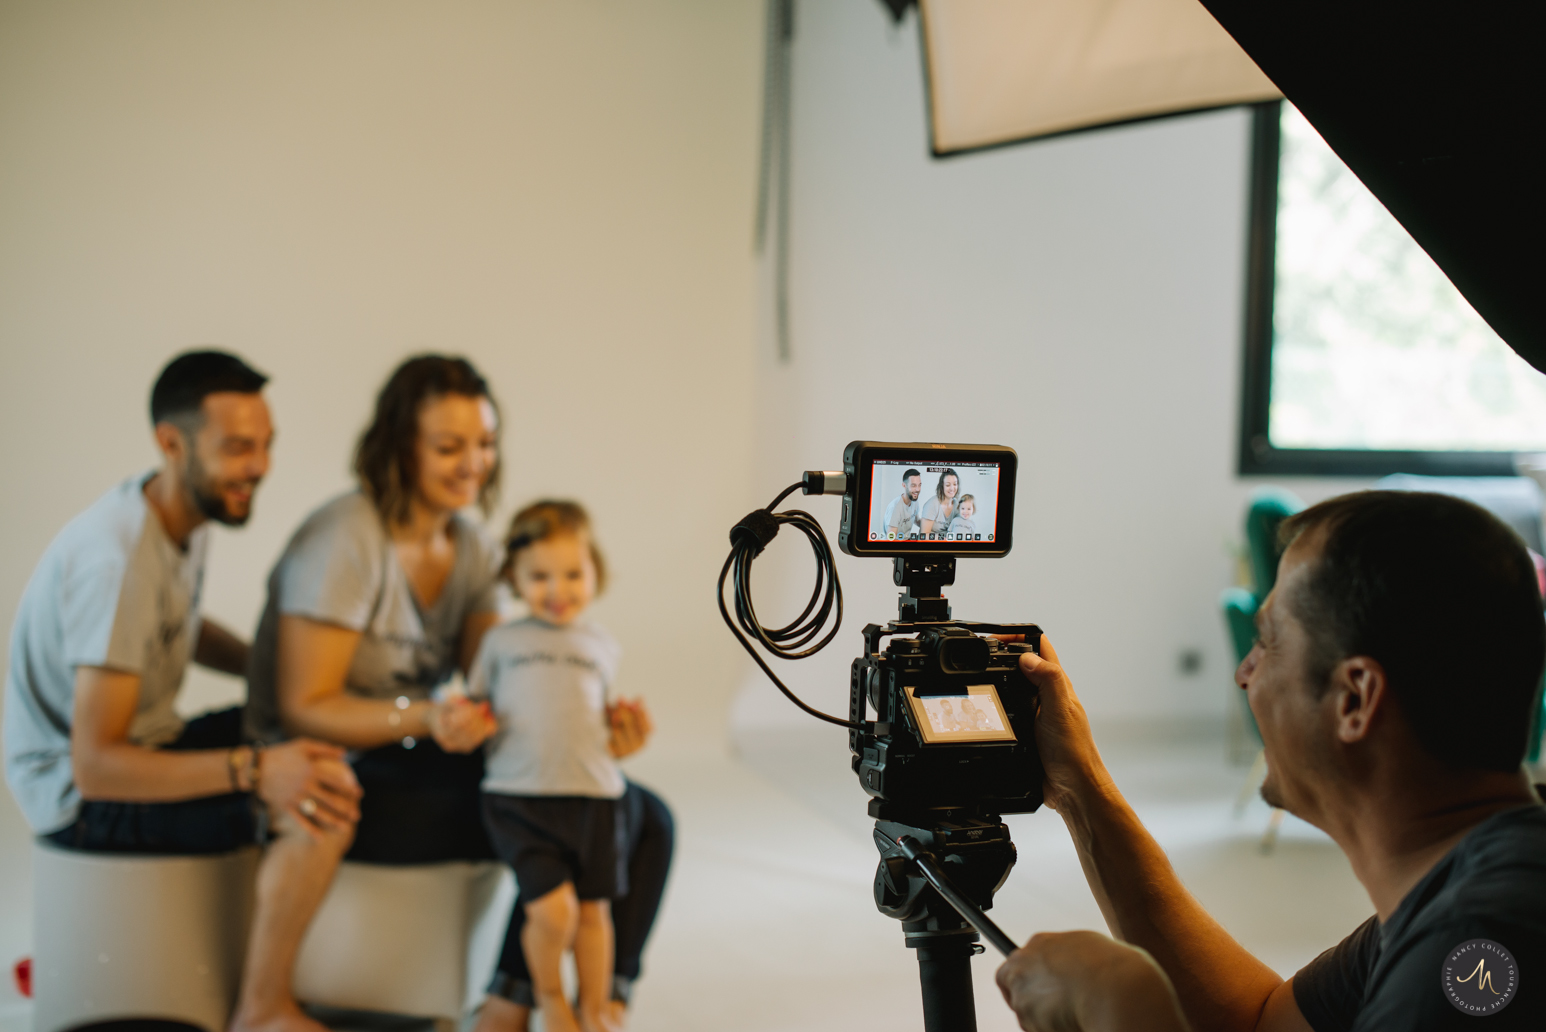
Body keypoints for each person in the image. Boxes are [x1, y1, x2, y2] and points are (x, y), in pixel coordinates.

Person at [995, 491, 1546, 1031]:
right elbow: (1262, 1021)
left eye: (1265, 642)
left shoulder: (1477, 944)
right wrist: (1079, 787)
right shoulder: (1461, 887)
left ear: (1353, 699)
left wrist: (1123, 1004)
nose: (1245, 672)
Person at [244, 355, 672, 1032]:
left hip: (411, 750)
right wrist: (429, 718)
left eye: (484, 443)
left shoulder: (469, 546)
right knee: (566, 822)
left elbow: (503, 695)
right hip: (331, 772)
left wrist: (598, 733)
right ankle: (511, 1010)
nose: (474, 463)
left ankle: (585, 1008)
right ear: (398, 447)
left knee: (635, 812)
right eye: (449, 447)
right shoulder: (345, 540)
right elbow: (303, 705)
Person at [3, 351, 363, 1032]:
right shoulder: (115, 562)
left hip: (141, 750)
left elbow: (180, 629)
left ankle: (269, 988)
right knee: (314, 794)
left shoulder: (175, 519)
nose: (258, 466)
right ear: (171, 444)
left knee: (312, 743)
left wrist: (275, 669)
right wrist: (257, 771)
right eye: (237, 448)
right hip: (80, 801)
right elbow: (98, 766)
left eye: (265, 445)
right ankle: (263, 1009)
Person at [470, 500, 644, 1032]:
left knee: (594, 912)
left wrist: (623, 731)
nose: (557, 589)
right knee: (553, 912)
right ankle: (549, 1000)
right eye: (538, 576)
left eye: (573, 573)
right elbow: (475, 704)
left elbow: (599, 717)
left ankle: (593, 1009)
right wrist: (465, 720)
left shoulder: (601, 644)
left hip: (593, 795)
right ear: (513, 578)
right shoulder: (502, 641)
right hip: (520, 796)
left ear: (596, 572)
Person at [883, 468, 923, 540]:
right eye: (913, 485)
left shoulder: (914, 501)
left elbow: (916, 520)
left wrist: (932, 524)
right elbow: (890, 539)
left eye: (919, 485)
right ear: (904, 485)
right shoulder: (895, 508)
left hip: (907, 539)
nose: (917, 489)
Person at [920, 469, 959, 540]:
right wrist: (943, 539)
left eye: (955, 484)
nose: (952, 488)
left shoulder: (957, 505)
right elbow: (924, 535)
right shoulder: (932, 504)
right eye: (947, 485)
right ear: (942, 486)